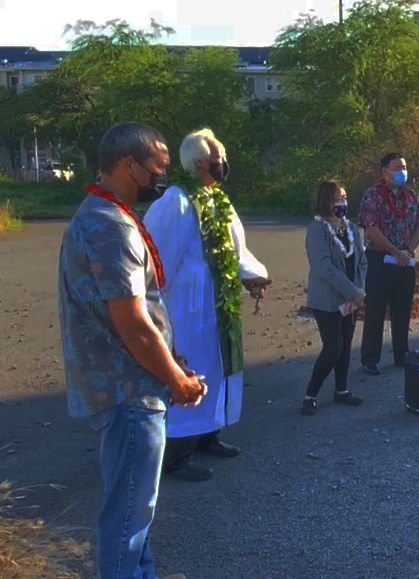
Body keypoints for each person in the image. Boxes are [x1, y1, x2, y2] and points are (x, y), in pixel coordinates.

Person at [57, 121, 206, 578]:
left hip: (129, 384)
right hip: (129, 389)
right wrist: (176, 380)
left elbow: (142, 315)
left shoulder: (105, 216)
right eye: (157, 167)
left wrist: (173, 362)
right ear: (129, 165)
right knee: (126, 515)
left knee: (134, 509)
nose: (162, 176)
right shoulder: (108, 227)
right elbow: (135, 327)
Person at [144, 128, 271, 481]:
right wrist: (157, 311)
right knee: (193, 368)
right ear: (199, 163)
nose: (223, 164)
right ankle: (176, 455)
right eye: (218, 159)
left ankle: (207, 435)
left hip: (219, 304)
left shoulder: (218, 201)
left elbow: (236, 252)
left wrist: (254, 276)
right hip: (188, 308)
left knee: (217, 368)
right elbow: (158, 261)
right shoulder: (177, 202)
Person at [301, 181, 368, 415]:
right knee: (333, 347)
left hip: (352, 298)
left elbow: (362, 261)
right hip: (327, 300)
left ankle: (342, 390)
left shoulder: (350, 228)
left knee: (346, 345)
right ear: (325, 201)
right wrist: (352, 292)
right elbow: (324, 268)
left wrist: (358, 292)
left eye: (345, 197)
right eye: (338, 198)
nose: (343, 202)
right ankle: (310, 395)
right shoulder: (316, 231)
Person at [358, 153, 419, 374]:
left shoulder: (411, 196)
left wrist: (406, 252)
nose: (402, 171)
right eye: (397, 167)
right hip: (380, 260)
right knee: (375, 310)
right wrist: (394, 251)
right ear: (385, 172)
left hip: (405, 260)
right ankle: (370, 357)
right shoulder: (373, 196)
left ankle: (401, 353)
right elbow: (371, 229)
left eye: (404, 167)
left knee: (402, 308)